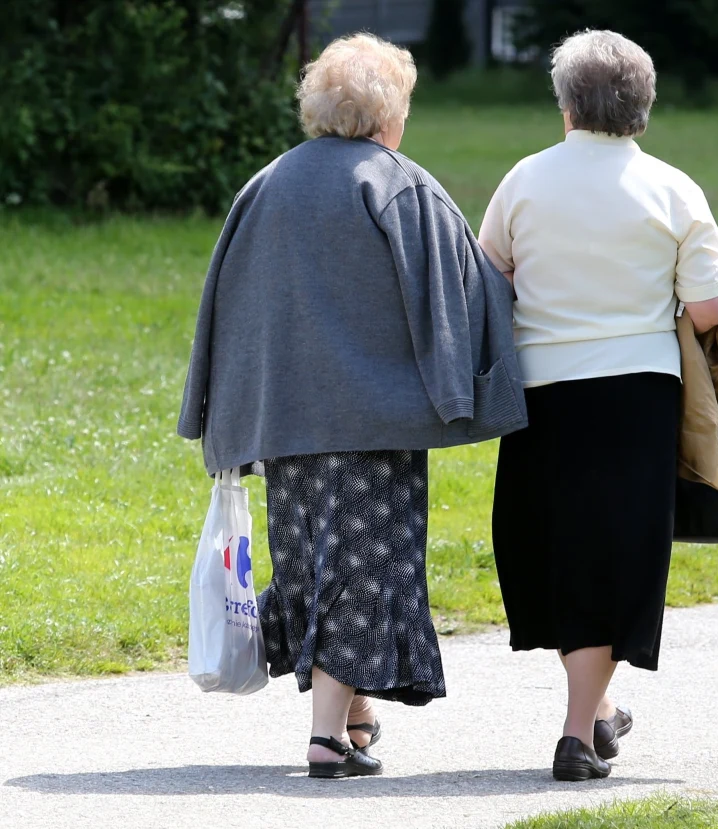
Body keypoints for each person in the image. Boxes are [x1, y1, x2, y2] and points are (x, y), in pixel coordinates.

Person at [177, 33, 526, 779]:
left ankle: (354, 714)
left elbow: (225, 310)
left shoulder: (265, 185)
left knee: (310, 564)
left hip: (284, 422)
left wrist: (222, 411)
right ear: (389, 115)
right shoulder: (397, 184)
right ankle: (326, 736)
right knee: (365, 571)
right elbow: (459, 295)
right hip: (375, 422)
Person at [478, 29, 718, 781]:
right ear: (643, 109)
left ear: (565, 106)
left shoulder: (524, 179)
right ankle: (580, 733)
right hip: (638, 397)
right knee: (615, 555)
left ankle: (591, 716)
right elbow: (712, 310)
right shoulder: (673, 187)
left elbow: (490, 276)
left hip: (544, 397)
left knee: (560, 552)